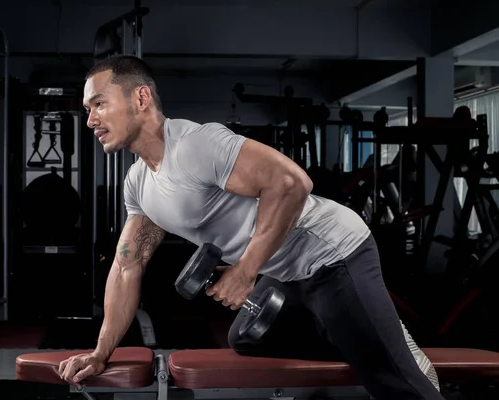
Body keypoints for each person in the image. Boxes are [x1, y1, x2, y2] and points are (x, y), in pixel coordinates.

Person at [58, 55, 444, 399]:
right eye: (88, 109)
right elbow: (128, 266)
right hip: (284, 270)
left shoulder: (195, 145)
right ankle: (360, 332)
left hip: (332, 253)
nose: (91, 119)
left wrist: (245, 271)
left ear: (140, 99)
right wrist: (99, 351)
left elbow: (291, 183)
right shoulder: (138, 182)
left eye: (99, 104)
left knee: (392, 384)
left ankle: (389, 349)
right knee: (247, 335)